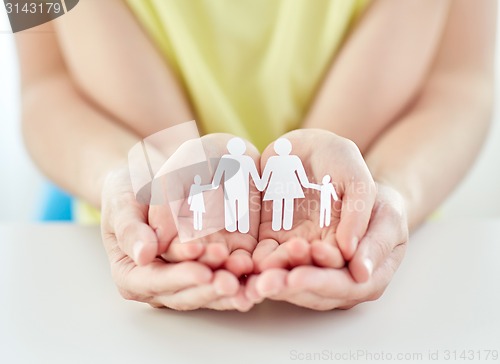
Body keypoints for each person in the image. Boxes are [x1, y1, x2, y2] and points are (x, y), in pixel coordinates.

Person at [16, 0, 496, 311]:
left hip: (377, 243)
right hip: (123, 234)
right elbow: (44, 87)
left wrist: (386, 194)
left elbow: (460, 83)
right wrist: (135, 180)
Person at [259, 138, 316, 231]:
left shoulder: (273, 160)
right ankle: (285, 224)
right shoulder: (293, 159)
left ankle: (278, 224)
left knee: (279, 205)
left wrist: (260, 185)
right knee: (287, 205)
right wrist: (311, 185)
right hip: (290, 186)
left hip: (277, 186)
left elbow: (265, 177)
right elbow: (303, 179)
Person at [211, 137, 262, 233]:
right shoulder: (246, 160)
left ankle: (234, 226)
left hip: (233, 189)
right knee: (241, 208)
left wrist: (214, 185)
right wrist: (261, 186)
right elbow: (254, 175)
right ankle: (241, 226)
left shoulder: (227, 159)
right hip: (240, 189)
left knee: (232, 208)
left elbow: (218, 174)